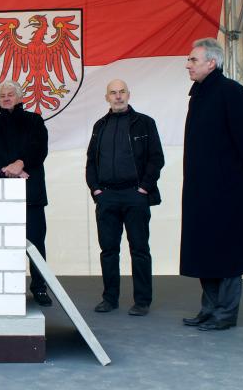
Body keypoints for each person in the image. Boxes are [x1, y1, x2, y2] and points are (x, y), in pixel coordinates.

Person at [180, 38, 243, 331]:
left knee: (228, 251)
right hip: (201, 191)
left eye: (193, 60)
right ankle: (210, 308)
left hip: (226, 190)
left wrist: (235, 173)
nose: (188, 64)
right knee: (206, 249)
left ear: (211, 63)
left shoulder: (232, 93)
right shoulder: (200, 95)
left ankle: (226, 313)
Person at [86, 79, 164, 316]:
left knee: (139, 249)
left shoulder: (144, 123)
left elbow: (156, 158)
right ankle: (109, 299)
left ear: (129, 95)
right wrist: (96, 189)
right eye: (113, 93)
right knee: (108, 250)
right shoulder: (100, 125)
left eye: (121, 92)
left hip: (135, 195)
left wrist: (144, 188)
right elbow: (91, 160)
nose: (118, 96)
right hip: (107, 196)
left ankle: (142, 301)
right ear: (106, 97)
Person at [0, 80, 52, 306]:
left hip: (32, 194)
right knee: (5, 244)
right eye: (3, 95)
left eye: (11, 94)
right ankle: (9, 287)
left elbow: (40, 149)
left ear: (20, 98)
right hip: (3, 193)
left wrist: (21, 163)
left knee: (36, 243)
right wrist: (7, 170)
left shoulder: (35, 121)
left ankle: (39, 287)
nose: (6, 97)